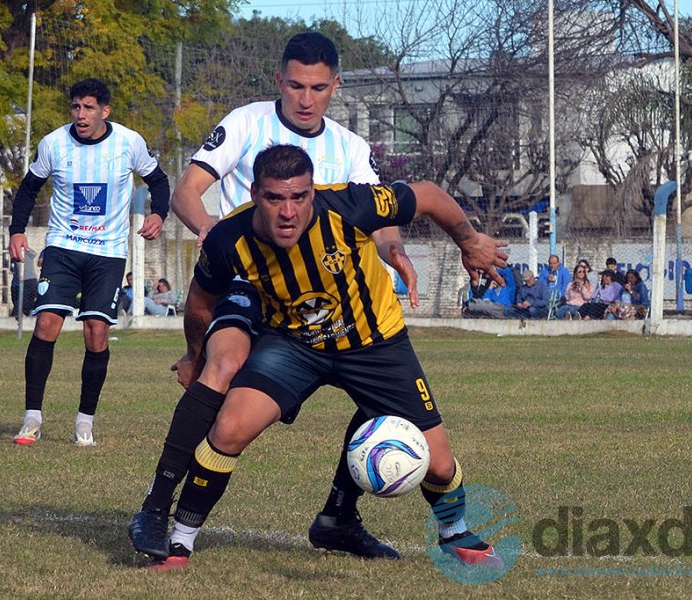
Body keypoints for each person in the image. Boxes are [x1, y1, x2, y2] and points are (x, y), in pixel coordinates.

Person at [134, 144, 509, 571]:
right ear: (255, 193)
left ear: (313, 192)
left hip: (375, 344)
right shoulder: (228, 238)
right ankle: (180, 543)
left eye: (299, 197)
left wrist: (469, 240)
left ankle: (454, 532)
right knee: (231, 425)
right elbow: (201, 300)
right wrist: (193, 355)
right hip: (295, 343)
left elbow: (427, 194)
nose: (288, 211)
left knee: (439, 465)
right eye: (275, 198)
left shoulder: (349, 205)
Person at [130, 32, 419, 561]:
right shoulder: (246, 122)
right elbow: (188, 192)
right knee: (220, 367)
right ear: (278, 82)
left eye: (317, 87)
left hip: (323, 304)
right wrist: (214, 234)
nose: (305, 99)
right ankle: (156, 505)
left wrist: (394, 251)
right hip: (250, 286)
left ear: (334, 86)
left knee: (382, 394)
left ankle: (339, 516)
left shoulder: (351, 148)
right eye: (294, 85)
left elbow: (382, 221)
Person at [7, 78, 170, 446]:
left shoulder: (129, 143)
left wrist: (159, 214)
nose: (81, 115)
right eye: (76, 107)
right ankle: (32, 417)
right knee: (47, 323)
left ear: (105, 111)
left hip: (108, 253)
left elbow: (159, 180)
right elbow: (28, 188)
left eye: (89, 108)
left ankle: (84, 422)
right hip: (63, 247)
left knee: (96, 332)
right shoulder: (54, 143)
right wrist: (17, 231)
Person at [10, 248, 39, 318]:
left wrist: (25, 248)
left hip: (29, 280)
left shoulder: (27, 252)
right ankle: (22, 315)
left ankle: (15, 316)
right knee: (20, 301)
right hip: (18, 281)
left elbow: (33, 254)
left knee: (23, 302)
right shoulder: (13, 255)